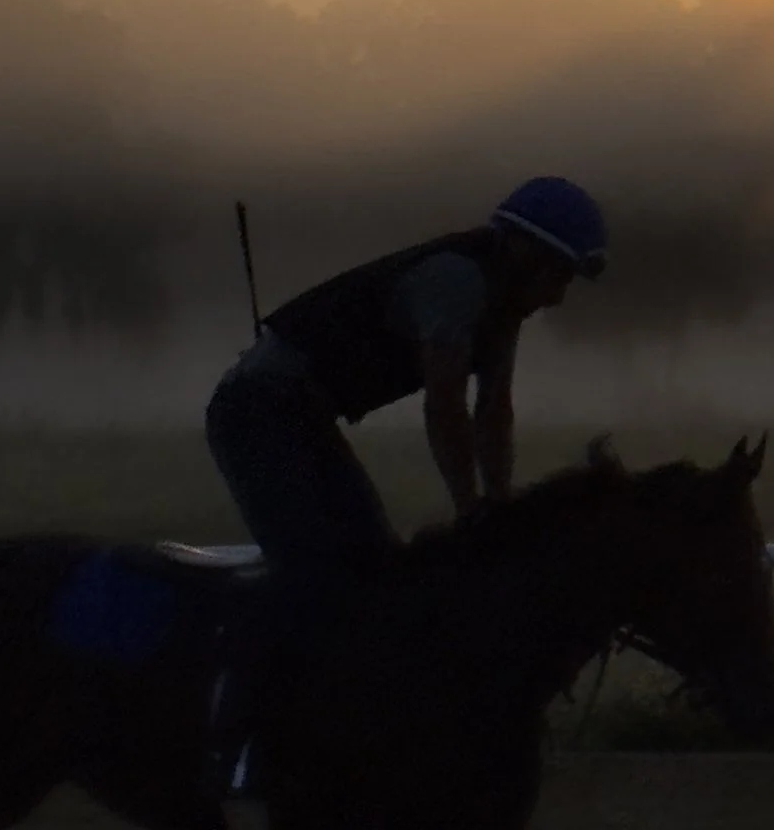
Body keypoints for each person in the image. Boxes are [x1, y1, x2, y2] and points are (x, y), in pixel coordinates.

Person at [206, 176, 608, 608]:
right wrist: (470, 511)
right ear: (525, 251)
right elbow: (446, 407)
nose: (557, 298)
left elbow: (493, 411)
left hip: (305, 415)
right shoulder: (457, 281)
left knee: (377, 565)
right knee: (313, 575)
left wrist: (499, 507)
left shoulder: (505, 306)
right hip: (253, 408)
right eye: (558, 275)